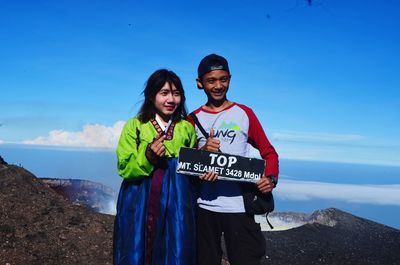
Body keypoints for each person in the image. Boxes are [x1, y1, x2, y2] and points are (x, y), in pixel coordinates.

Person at [187, 54, 279, 265]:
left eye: (224, 79)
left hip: (240, 207)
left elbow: (269, 152)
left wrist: (270, 178)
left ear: (230, 78)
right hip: (204, 208)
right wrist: (203, 151)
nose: (218, 85)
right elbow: (186, 162)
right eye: (211, 80)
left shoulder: (244, 114)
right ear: (199, 83)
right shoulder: (191, 119)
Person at [113, 69, 198, 265]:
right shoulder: (135, 126)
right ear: (151, 96)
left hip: (178, 203)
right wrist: (148, 157)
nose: (171, 99)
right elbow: (124, 167)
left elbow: (192, 168)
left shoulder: (186, 128)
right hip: (140, 200)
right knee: (138, 248)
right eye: (164, 93)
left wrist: (207, 157)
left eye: (176, 94)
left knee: (176, 248)